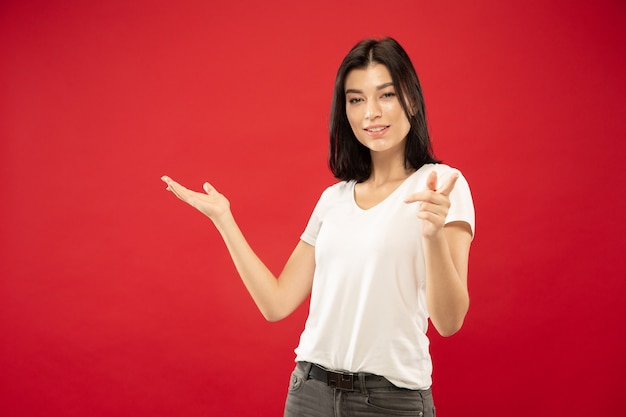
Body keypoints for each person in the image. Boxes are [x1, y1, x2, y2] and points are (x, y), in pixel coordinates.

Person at [161, 37, 474, 417]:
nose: (371, 113)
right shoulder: (333, 199)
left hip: (390, 401)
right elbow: (276, 304)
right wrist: (224, 219)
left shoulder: (440, 184)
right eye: (356, 99)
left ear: (411, 99)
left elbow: (449, 320)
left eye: (386, 94)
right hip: (310, 393)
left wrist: (432, 235)